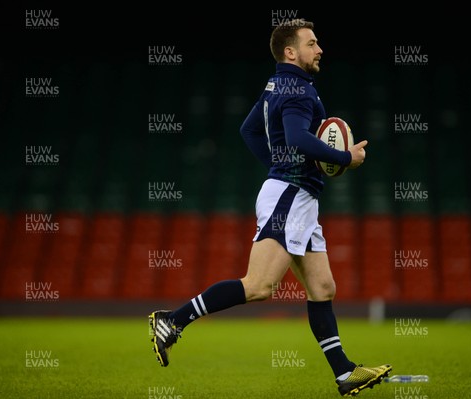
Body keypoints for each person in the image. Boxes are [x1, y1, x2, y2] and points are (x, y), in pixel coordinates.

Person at [149, 18, 392, 397]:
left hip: (295, 194)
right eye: (312, 43)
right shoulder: (299, 91)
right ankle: (172, 320)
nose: (320, 49)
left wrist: (279, 168)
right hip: (290, 196)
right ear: (291, 51)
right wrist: (344, 156)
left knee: (323, 287)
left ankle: (344, 374)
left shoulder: (276, 85)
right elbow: (296, 137)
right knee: (259, 286)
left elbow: (249, 130)